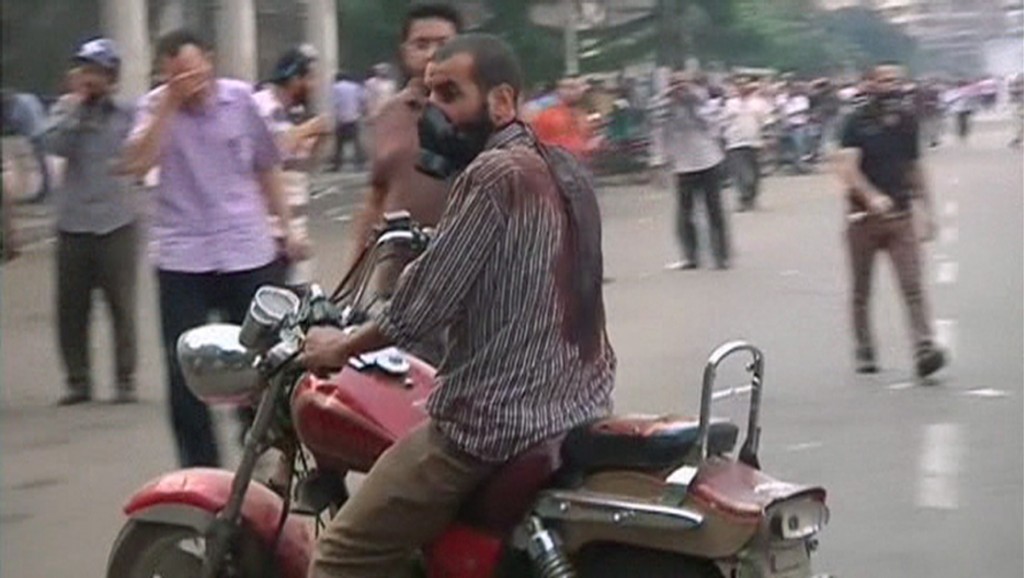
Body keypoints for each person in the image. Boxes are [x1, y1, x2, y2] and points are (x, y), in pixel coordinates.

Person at [301, 33, 615, 578]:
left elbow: (414, 314)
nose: (436, 112)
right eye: (430, 96)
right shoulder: (566, 171)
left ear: (501, 101)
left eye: (451, 94)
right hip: (582, 404)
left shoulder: (490, 176)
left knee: (340, 553)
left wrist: (339, 348)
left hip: (493, 423)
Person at [119, 29, 305, 468]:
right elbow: (137, 164)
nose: (190, 81)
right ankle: (199, 462)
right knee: (184, 364)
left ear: (211, 60)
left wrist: (287, 227)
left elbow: (267, 166)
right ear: (164, 74)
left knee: (267, 356)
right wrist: (168, 104)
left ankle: (262, 439)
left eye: (196, 69)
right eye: (177, 74)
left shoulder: (242, 101)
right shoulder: (154, 107)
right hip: (184, 255)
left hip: (247, 247)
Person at [38, 38, 140, 405]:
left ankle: (124, 379)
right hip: (74, 222)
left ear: (111, 76)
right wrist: (77, 108)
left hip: (118, 220)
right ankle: (78, 380)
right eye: (84, 70)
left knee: (121, 306)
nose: (89, 78)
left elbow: (144, 150)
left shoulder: (128, 113)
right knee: (71, 308)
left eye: (96, 71)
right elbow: (51, 144)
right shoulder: (66, 110)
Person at [835, 64, 946, 378]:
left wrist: (927, 210)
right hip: (862, 219)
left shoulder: (907, 121)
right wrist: (871, 197)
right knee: (861, 290)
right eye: (884, 80)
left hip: (900, 215)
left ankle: (924, 347)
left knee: (912, 285)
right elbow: (847, 168)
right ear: (869, 84)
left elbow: (914, 167)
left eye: (896, 80)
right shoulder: (854, 122)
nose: (891, 86)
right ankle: (864, 349)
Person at [254, 45, 329, 286]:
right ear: (295, 78)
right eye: (311, 77)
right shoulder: (263, 106)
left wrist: (320, 140)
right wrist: (311, 129)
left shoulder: (293, 113)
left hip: (292, 230)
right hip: (268, 235)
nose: (315, 84)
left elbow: (302, 166)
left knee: (297, 307)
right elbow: (270, 151)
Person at [656, 70, 730, 270]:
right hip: (682, 165)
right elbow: (659, 133)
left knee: (714, 210)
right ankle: (690, 257)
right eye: (675, 84)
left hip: (708, 160)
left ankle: (721, 256)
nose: (679, 87)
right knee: (684, 213)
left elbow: (712, 125)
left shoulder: (701, 100)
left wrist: (692, 103)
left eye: (683, 83)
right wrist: (661, 163)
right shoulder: (664, 106)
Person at [722, 77, 770, 211]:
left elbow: (767, 121)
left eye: (745, 85)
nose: (742, 88)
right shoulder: (730, 104)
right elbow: (722, 122)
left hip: (754, 142)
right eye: (739, 85)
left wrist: (768, 138)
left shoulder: (759, 103)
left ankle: (751, 197)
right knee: (741, 173)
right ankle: (743, 198)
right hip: (735, 142)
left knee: (754, 173)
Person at [1, 90, 51, 203]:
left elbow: (16, 122)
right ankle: (43, 190)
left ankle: (43, 191)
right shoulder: (26, 97)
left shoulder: (16, 107)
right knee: (41, 163)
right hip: (40, 128)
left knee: (39, 164)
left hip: (35, 132)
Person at [531, 76, 593, 160]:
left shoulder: (582, 111)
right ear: (558, 90)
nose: (573, 92)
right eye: (569, 87)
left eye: (576, 87)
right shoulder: (549, 114)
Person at [330, 71, 365, 171]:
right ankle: (359, 165)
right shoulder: (355, 86)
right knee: (356, 143)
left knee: (339, 144)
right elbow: (361, 100)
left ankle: (337, 165)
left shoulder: (336, 87)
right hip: (353, 117)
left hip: (341, 119)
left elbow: (335, 103)